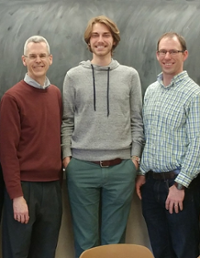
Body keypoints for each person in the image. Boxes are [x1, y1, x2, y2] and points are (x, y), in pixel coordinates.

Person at [61, 15, 144, 258]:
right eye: (95, 35)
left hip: (121, 169)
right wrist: (67, 157)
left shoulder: (130, 75)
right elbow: (66, 120)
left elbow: (137, 120)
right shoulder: (73, 76)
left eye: (105, 35)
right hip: (81, 168)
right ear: (89, 41)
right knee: (86, 241)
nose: (100, 40)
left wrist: (135, 157)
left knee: (114, 242)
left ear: (114, 40)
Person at [136, 32, 200, 258]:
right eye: (163, 51)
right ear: (157, 55)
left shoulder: (194, 94)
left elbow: (198, 145)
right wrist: (142, 173)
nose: (167, 56)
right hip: (151, 185)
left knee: (184, 250)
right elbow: (149, 136)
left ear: (185, 54)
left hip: (179, 186)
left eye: (173, 51)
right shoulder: (151, 91)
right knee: (160, 250)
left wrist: (180, 186)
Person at [0, 35, 63, 258]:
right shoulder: (12, 98)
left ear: (51, 59)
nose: (38, 60)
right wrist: (17, 196)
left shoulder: (55, 94)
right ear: (24, 60)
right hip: (24, 189)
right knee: (17, 252)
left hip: (53, 188)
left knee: (46, 252)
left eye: (42, 56)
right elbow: (7, 152)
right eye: (33, 56)